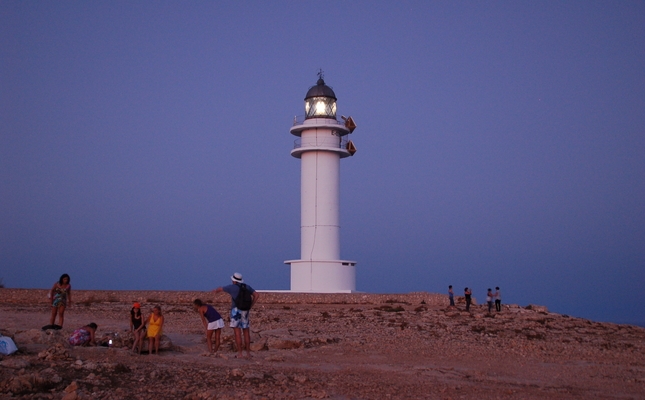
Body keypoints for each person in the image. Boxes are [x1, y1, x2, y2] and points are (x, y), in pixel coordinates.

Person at [212, 272, 260, 359]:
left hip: (236, 310)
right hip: (245, 310)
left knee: (237, 333)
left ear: (233, 280)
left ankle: (240, 353)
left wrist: (215, 291)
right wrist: (251, 305)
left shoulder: (231, 287)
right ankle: (248, 353)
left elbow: (220, 289)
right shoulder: (247, 287)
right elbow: (256, 295)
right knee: (246, 332)